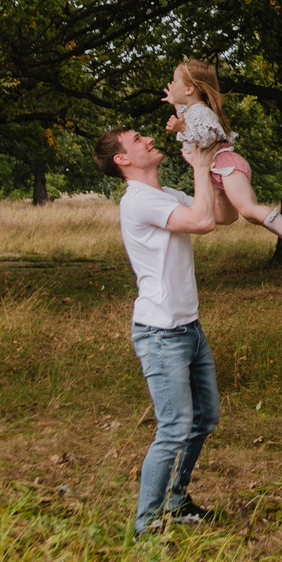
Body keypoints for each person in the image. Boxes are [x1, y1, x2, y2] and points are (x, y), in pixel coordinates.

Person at [97, 125, 225, 533]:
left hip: (188, 326)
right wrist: (201, 167)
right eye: (137, 140)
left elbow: (222, 215)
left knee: (205, 417)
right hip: (160, 332)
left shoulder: (165, 194)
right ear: (123, 159)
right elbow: (202, 222)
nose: (149, 139)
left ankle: (176, 500)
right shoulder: (138, 202)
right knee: (173, 427)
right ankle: (146, 524)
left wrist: (220, 167)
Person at [166, 59, 282, 270]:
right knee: (227, 216)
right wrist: (175, 103)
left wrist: (182, 128)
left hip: (226, 166)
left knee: (249, 209)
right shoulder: (192, 109)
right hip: (217, 172)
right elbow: (185, 112)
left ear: (189, 88)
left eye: (174, 81)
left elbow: (207, 136)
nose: (171, 84)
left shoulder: (201, 111)